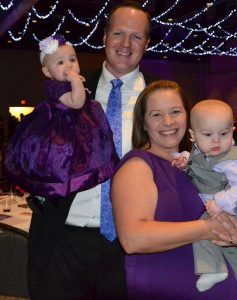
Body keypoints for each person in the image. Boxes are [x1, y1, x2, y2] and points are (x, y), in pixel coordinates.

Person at [21, 2, 155, 299]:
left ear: (146, 43)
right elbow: (36, 146)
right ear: (104, 36)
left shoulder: (161, 98)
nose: (125, 44)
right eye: (118, 33)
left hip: (130, 245)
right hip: (63, 238)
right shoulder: (67, 87)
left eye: (136, 36)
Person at [111, 80, 237, 300]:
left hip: (220, 288)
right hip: (168, 287)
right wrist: (207, 228)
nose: (168, 121)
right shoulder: (138, 165)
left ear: (187, 118)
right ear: (143, 123)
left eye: (175, 111)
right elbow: (133, 239)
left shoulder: (200, 161)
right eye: (156, 114)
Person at [173, 100, 237, 300]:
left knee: (203, 231)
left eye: (224, 134)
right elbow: (196, 161)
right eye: (208, 135)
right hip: (225, 207)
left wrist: (220, 202)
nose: (216, 141)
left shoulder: (231, 158)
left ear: (232, 131)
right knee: (226, 245)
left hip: (233, 206)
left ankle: (214, 269)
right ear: (193, 136)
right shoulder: (201, 151)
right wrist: (183, 159)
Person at [4, 34, 118, 198]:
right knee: (64, 156)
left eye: (72, 59)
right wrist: (76, 82)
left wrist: (77, 84)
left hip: (78, 123)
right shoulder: (55, 86)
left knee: (91, 148)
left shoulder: (68, 82)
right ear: (47, 72)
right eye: (61, 62)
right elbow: (77, 102)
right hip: (60, 127)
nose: (69, 66)